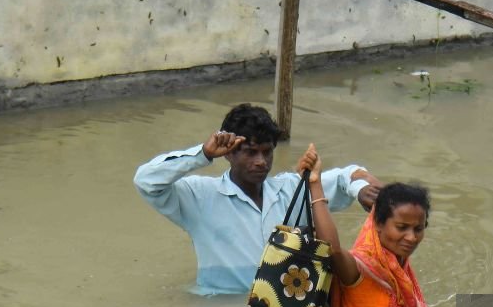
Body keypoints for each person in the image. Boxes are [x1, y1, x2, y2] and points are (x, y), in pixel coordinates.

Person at [134, 104, 381, 295]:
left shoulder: (290, 190)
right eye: (250, 152)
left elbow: (344, 177)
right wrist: (203, 153)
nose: (261, 161)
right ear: (228, 153)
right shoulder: (199, 196)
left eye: (267, 151)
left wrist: (359, 187)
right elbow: (146, 181)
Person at [297, 143, 437, 307]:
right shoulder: (359, 269)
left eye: (418, 229)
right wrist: (315, 183)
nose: (412, 237)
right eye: (401, 228)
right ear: (378, 224)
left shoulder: (400, 269)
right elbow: (333, 250)